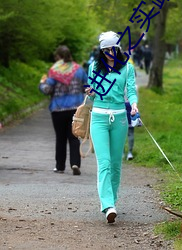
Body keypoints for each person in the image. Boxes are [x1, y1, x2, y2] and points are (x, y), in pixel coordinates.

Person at [85, 31, 138, 223]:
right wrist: (90, 92)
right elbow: (91, 95)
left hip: (120, 118)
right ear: (101, 50)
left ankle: (112, 201)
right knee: (104, 163)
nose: (109, 52)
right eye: (105, 49)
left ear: (118, 48)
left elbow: (131, 90)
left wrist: (133, 104)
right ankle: (107, 205)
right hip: (98, 117)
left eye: (112, 49)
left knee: (116, 164)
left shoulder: (127, 68)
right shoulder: (94, 67)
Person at [39, 45, 88, 175]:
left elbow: (47, 90)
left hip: (58, 109)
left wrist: (42, 83)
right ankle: (75, 163)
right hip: (75, 109)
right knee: (74, 137)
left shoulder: (54, 71)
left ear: (58, 57)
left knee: (60, 138)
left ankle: (60, 166)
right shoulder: (79, 70)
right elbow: (86, 87)